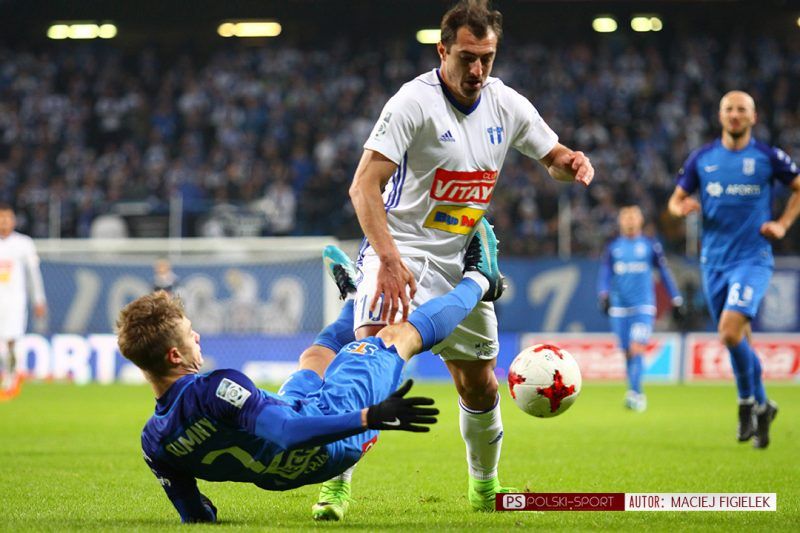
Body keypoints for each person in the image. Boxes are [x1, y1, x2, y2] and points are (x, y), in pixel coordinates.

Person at [338, 0, 594, 515]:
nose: (477, 70)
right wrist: (388, 260)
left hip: (464, 259)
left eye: (487, 58)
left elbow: (553, 158)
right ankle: (334, 485)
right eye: (467, 57)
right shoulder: (413, 102)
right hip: (402, 253)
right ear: (442, 51)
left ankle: (485, 487)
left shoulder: (506, 104)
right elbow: (363, 186)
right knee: (370, 368)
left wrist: (570, 162)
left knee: (479, 385)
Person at [117, 227, 505, 523]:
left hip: (283, 467)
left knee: (315, 357)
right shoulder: (214, 388)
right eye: (190, 335)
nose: (198, 336)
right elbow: (287, 432)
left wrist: (206, 511)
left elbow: (196, 515)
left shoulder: (154, 441)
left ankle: (352, 299)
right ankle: (480, 280)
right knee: (398, 336)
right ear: (174, 355)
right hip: (328, 443)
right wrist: (370, 416)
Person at [668, 90, 800, 449]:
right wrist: (683, 208)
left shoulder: (768, 157)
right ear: (720, 115)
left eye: (742, 109)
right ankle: (764, 406)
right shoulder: (702, 158)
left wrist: (783, 225)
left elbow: (797, 188)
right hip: (713, 263)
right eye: (729, 109)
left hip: (752, 260)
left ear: (753, 117)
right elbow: (675, 201)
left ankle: (745, 403)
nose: (735, 115)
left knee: (728, 334)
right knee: (740, 338)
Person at [597, 205, 683, 412]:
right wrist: (604, 295)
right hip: (619, 307)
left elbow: (664, 273)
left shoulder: (649, 246)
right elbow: (605, 274)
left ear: (640, 220)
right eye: (625, 217)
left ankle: (635, 394)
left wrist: (676, 298)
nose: (629, 220)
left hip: (643, 306)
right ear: (620, 221)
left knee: (637, 347)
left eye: (633, 216)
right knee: (627, 352)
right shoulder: (613, 247)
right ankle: (634, 390)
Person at [0, 203, 47, 394]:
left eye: (7, 218)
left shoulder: (24, 243)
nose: (4, 222)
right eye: (1, 218)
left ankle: (10, 377)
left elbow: (33, 274)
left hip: (14, 301)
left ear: (14, 220)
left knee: (12, 339)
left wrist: (38, 299)